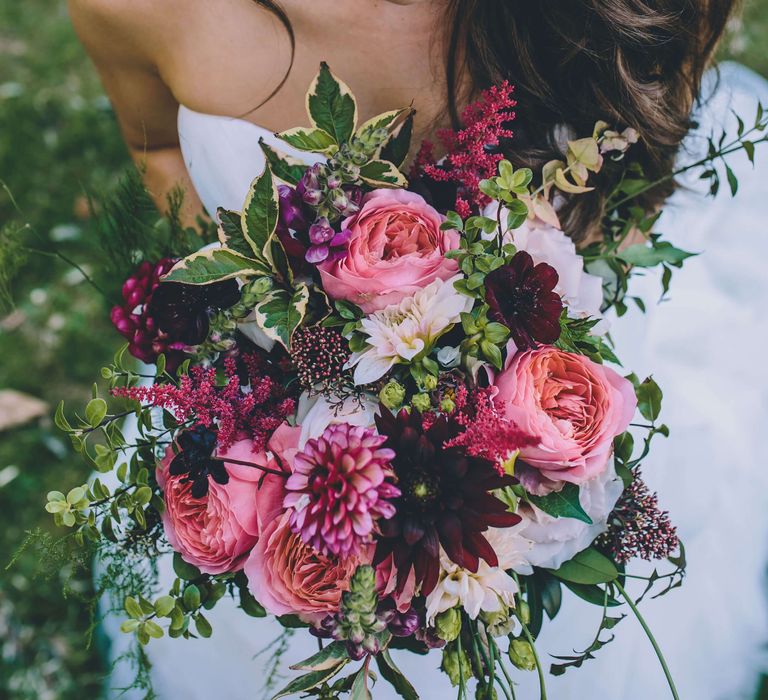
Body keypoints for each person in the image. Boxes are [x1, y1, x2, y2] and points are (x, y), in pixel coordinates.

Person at [69, 1, 768, 698]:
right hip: (264, 417)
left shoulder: (630, 14)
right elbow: (157, 146)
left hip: (544, 375)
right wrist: (264, 346)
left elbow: (638, 178)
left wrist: (486, 400)